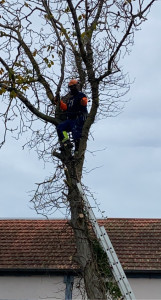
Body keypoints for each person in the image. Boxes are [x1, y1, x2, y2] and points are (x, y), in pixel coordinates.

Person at [56, 79, 88, 153]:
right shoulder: (71, 99)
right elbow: (66, 108)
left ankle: (77, 150)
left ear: (77, 86)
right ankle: (66, 141)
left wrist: (84, 101)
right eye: (70, 87)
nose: (72, 89)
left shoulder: (81, 95)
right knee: (60, 127)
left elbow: (84, 102)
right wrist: (59, 102)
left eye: (73, 87)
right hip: (70, 119)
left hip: (79, 118)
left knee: (76, 132)